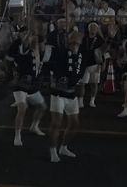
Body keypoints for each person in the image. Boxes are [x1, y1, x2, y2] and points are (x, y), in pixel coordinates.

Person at [49, 32, 84, 163]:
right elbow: (54, 67)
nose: (74, 45)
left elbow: (79, 72)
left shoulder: (81, 55)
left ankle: (64, 147)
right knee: (56, 123)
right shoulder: (60, 52)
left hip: (71, 94)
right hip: (58, 93)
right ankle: (53, 150)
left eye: (77, 43)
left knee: (75, 123)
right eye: (72, 43)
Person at [9, 30, 46, 146]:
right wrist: (27, 36)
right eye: (33, 40)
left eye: (38, 41)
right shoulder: (25, 50)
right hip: (21, 83)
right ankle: (17, 136)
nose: (36, 43)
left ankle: (34, 126)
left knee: (42, 107)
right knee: (22, 108)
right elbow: (24, 44)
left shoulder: (40, 53)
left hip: (32, 85)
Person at [78, 22, 104, 108]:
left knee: (94, 83)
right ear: (88, 29)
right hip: (84, 64)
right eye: (91, 27)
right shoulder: (83, 38)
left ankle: (92, 100)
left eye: (95, 27)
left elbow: (104, 52)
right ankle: (80, 101)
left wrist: (103, 63)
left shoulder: (100, 40)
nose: (93, 29)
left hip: (96, 64)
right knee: (82, 83)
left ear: (97, 29)